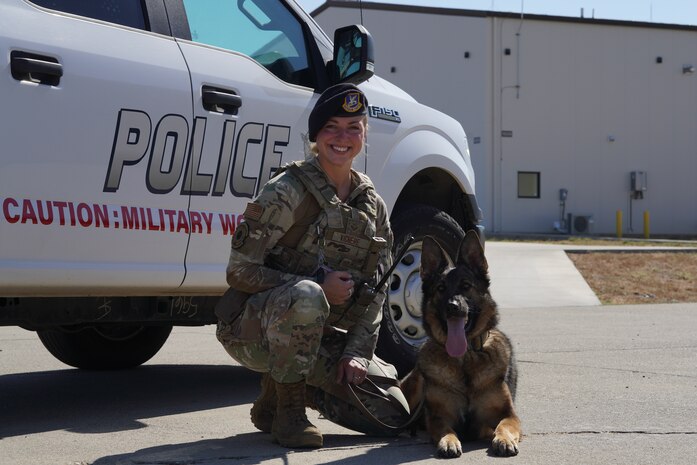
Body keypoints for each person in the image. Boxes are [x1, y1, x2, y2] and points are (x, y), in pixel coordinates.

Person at [215, 83, 407, 449]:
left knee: (392, 415)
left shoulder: (372, 205)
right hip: (253, 331)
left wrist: (356, 353)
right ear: (316, 135)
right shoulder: (285, 191)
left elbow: (377, 291)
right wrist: (318, 280)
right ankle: (289, 415)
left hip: (321, 336)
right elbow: (239, 272)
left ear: (364, 134)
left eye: (354, 127)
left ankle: (283, 393)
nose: (342, 137)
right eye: (332, 127)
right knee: (307, 295)